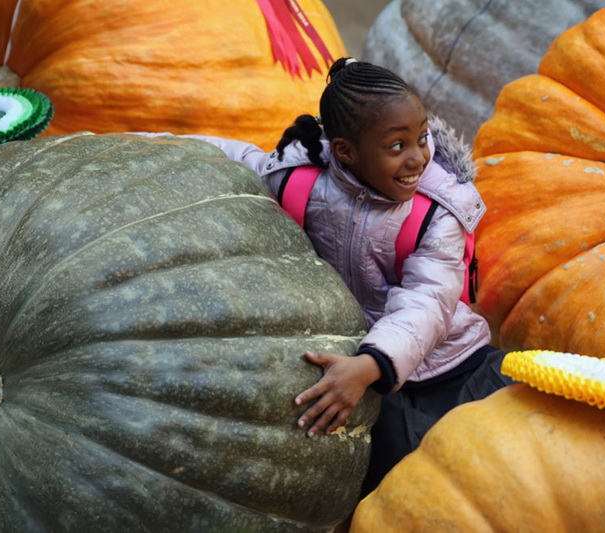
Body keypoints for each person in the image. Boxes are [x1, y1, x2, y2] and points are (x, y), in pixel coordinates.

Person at [179, 57, 513, 496]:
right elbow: (225, 156)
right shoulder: (300, 181)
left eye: (423, 137)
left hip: (446, 361)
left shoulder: (437, 211)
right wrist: (127, 145)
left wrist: (372, 363)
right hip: (357, 361)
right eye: (397, 146)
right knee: (394, 485)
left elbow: (429, 299)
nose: (417, 157)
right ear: (345, 152)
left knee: (495, 461)